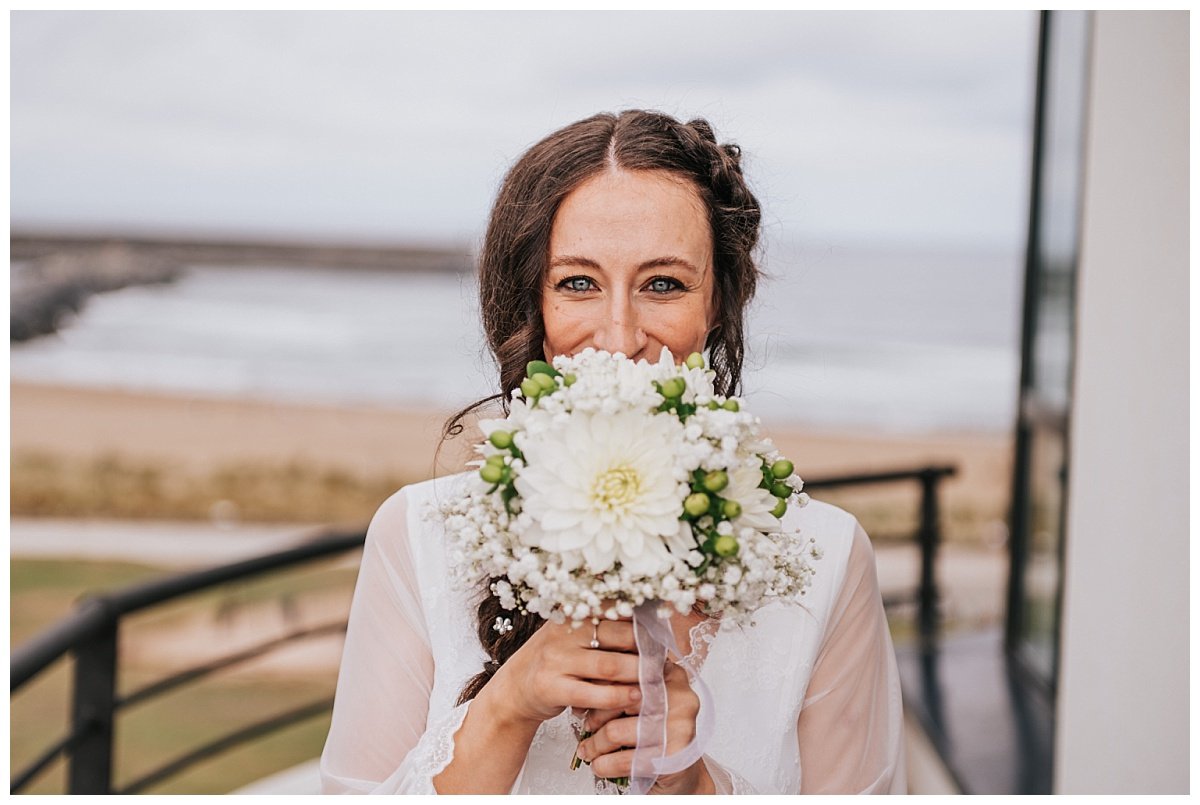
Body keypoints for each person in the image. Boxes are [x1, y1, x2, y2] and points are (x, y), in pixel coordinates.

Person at [319, 110, 906, 794]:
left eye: (663, 283)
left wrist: (688, 782)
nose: (620, 336)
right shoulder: (417, 536)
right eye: (577, 283)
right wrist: (507, 706)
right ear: (530, 302)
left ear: (717, 301)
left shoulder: (828, 558)